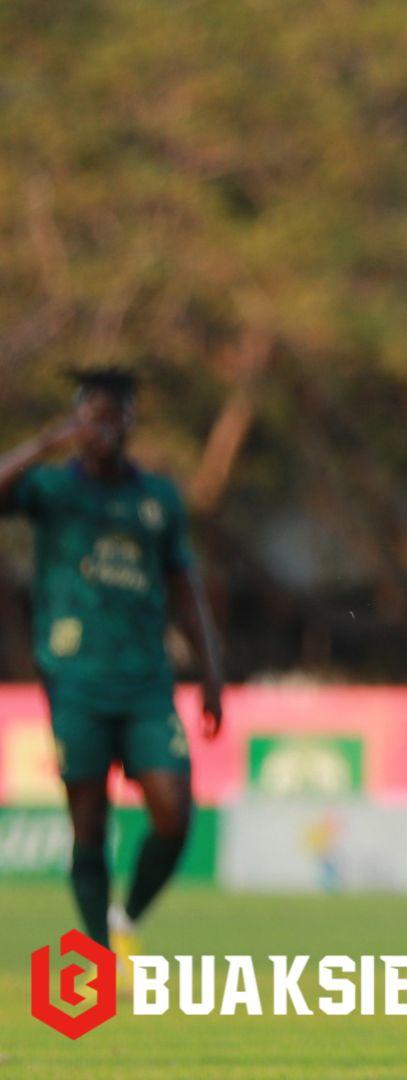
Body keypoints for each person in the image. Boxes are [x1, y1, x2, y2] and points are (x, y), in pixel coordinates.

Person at [0, 367, 224, 960]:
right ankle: (99, 954)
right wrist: (46, 444)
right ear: (78, 419)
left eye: (118, 413)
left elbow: (184, 586)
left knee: (174, 810)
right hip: (75, 679)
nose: (107, 426)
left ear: (131, 422)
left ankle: (124, 917)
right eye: (96, 413)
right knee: (89, 820)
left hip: (147, 679)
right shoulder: (51, 488)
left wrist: (211, 670)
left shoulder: (156, 498)